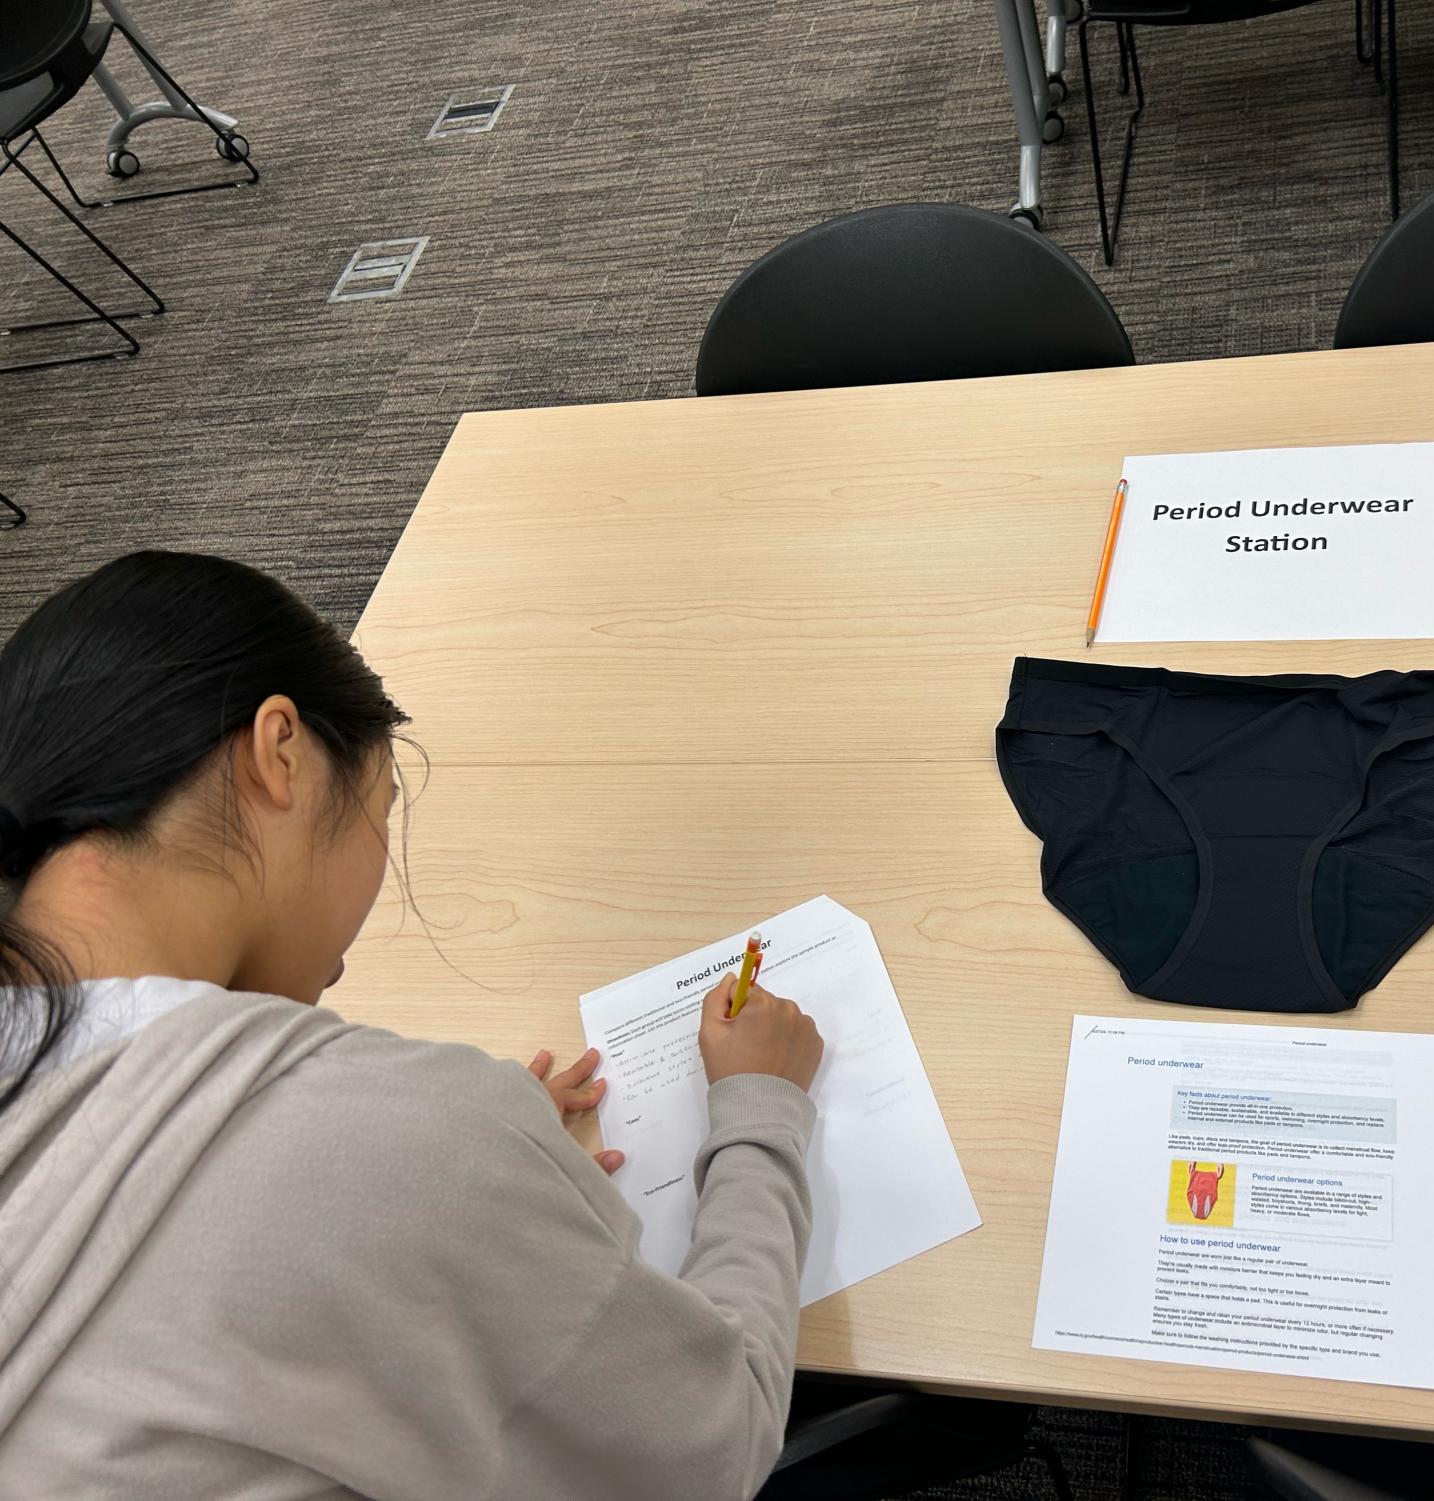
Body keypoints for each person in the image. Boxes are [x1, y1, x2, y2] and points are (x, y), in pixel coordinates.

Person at [0, 552, 825, 1499]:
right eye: (382, 804)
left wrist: (463, 1164)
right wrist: (759, 1109)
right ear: (281, 752)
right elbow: (719, 1437)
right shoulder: (410, 1151)